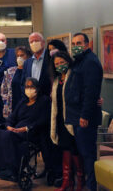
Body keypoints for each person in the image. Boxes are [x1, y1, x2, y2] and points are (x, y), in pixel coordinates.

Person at [0, 77, 51, 181]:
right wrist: (9, 126)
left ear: (37, 88)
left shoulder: (44, 101)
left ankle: (11, 169)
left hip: (31, 131)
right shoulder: (22, 102)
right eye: (27, 87)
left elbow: (43, 120)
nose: (29, 89)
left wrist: (25, 128)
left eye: (31, 87)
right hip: (16, 131)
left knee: (7, 135)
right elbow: (12, 117)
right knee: (0, 133)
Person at [65, 33, 103, 191]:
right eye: (73, 44)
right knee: (83, 153)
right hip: (76, 115)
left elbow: (90, 92)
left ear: (87, 45)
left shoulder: (90, 62)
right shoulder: (79, 61)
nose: (76, 46)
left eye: (79, 43)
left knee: (88, 155)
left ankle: (92, 187)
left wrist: (84, 116)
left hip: (84, 118)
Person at [49, 51, 86, 191]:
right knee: (65, 148)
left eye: (62, 62)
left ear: (68, 61)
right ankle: (67, 181)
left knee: (75, 149)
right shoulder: (57, 80)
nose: (60, 66)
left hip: (72, 119)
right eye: (57, 64)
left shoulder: (75, 76)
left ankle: (81, 180)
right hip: (60, 119)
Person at [0, 46, 32, 117]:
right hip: (12, 107)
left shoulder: (31, 70)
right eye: (18, 55)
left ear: (28, 56)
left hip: (27, 107)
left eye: (22, 55)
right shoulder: (10, 71)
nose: (19, 58)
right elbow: (3, 90)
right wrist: (6, 102)